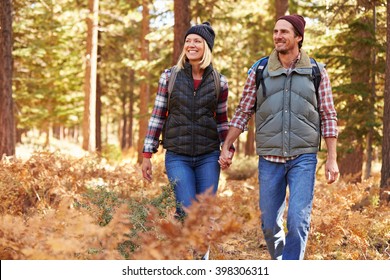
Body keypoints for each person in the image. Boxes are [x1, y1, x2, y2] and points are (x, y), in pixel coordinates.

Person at [219, 14, 339, 260]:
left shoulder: (316, 71)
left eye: (284, 32)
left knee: (297, 220)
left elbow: (328, 114)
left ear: (298, 37)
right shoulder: (260, 69)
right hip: (270, 157)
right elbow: (244, 110)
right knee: (269, 223)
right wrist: (227, 145)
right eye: (275, 31)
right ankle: (279, 261)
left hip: (303, 158)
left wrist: (332, 158)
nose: (278, 36)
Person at [142, 22, 233, 220]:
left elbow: (222, 122)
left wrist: (228, 149)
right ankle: (183, 246)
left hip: (208, 156)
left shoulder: (220, 81)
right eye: (188, 40)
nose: (191, 45)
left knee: (204, 212)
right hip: (177, 156)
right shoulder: (169, 77)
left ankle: (200, 252)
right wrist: (147, 154)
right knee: (186, 210)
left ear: (206, 47)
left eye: (197, 41)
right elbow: (157, 115)